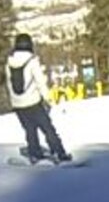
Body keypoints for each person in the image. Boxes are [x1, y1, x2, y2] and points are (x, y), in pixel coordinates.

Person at [7, 33, 73, 164]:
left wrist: (14, 101)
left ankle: (35, 154)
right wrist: (48, 99)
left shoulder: (9, 62)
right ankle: (59, 153)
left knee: (30, 130)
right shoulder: (32, 61)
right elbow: (40, 82)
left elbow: (9, 84)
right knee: (48, 128)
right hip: (33, 102)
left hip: (18, 104)